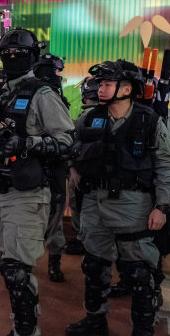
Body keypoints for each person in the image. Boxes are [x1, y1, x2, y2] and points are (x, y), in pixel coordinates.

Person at [0, 28, 75, 336]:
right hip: (2, 191)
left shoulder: (42, 94)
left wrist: (26, 144)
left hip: (29, 193)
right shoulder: (6, 95)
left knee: (16, 269)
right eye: (7, 54)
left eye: (19, 54)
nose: (12, 58)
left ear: (32, 57)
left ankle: (27, 331)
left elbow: (68, 141)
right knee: (11, 267)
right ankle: (23, 327)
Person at [66, 60, 170, 336]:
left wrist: (161, 206)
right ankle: (95, 320)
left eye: (107, 83)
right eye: (100, 83)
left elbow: (167, 164)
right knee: (93, 265)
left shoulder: (148, 121)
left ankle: (143, 328)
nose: (100, 88)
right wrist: (74, 169)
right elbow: (68, 145)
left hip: (133, 206)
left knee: (138, 273)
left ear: (127, 88)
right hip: (94, 204)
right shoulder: (91, 118)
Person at [33, 54, 70, 283]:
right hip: (35, 166)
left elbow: (66, 138)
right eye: (56, 72)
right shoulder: (39, 96)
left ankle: (54, 260)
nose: (59, 76)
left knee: (55, 216)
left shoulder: (54, 98)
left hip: (54, 165)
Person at [65, 76, 100, 256]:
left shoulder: (84, 118)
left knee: (79, 205)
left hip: (82, 172)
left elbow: (70, 145)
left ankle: (83, 239)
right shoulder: (112, 115)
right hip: (101, 174)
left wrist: (72, 170)